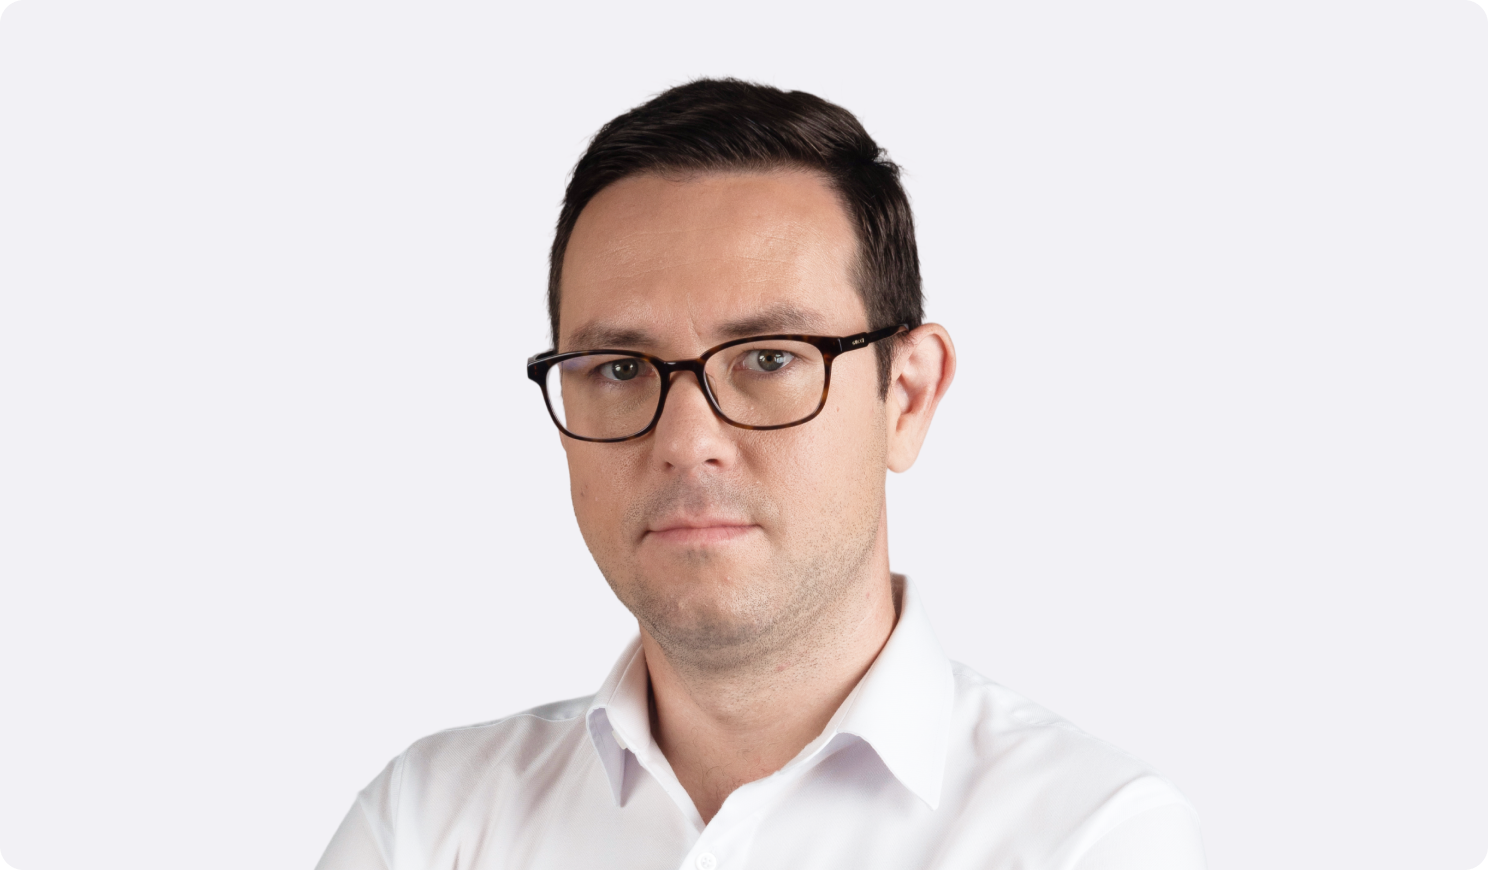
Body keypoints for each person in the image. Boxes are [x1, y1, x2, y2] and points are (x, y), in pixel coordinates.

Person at [315, 78, 1206, 870]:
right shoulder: (426, 823)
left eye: (770, 358)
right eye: (620, 369)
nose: (686, 440)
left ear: (905, 396)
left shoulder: (1085, 836)